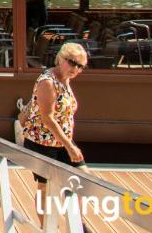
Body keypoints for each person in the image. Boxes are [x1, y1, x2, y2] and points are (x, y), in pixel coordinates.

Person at [20, 41, 88, 225]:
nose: (75, 68)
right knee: (45, 186)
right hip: (42, 142)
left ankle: (77, 225)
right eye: (72, 62)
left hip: (62, 141)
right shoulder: (48, 81)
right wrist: (70, 146)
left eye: (80, 66)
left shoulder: (65, 79)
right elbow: (48, 119)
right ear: (60, 59)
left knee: (82, 179)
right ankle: (47, 226)